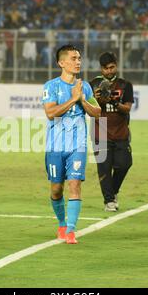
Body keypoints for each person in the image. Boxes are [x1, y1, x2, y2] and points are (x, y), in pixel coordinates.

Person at [42, 45, 101, 244]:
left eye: (79, 58)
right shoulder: (50, 86)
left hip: (78, 146)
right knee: (56, 190)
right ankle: (61, 222)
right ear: (61, 63)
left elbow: (97, 112)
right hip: (55, 147)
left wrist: (82, 100)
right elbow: (51, 113)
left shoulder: (85, 87)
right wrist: (73, 99)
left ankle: (71, 231)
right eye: (74, 58)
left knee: (75, 185)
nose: (78, 62)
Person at [90, 52, 134, 212]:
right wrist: (95, 99)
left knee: (125, 164)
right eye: (105, 68)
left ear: (116, 65)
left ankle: (113, 191)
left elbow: (127, 108)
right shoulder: (93, 84)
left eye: (111, 67)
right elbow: (88, 108)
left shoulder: (125, 85)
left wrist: (113, 101)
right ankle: (109, 201)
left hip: (121, 132)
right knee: (104, 168)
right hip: (100, 132)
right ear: (101, 69)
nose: (109, 71)